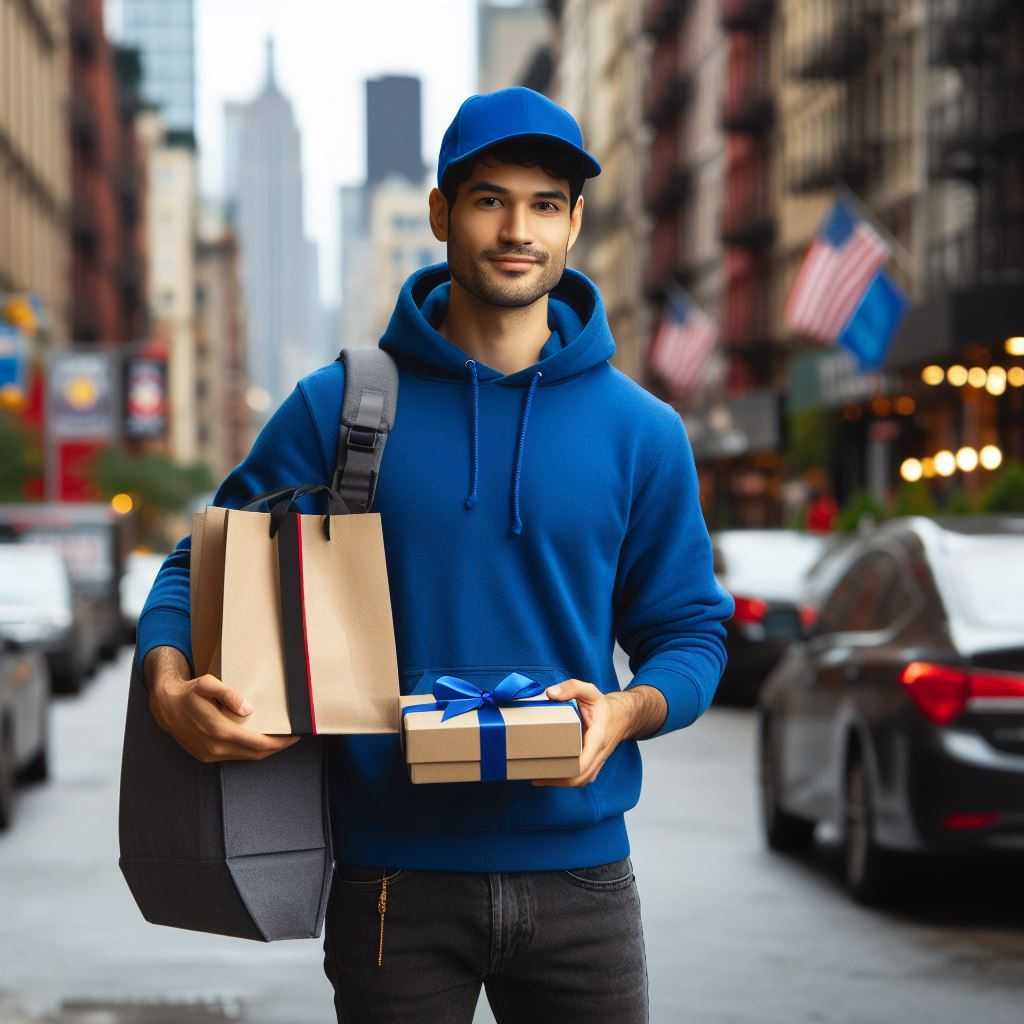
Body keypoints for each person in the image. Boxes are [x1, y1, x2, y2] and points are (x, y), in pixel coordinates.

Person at [139, 87, 733, 1024]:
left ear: (575, 223)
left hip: (582, 880)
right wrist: (170, 688)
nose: (518, 230)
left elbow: (691, 633)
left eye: (545, 204)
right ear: (441, 213)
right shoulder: (339, 408)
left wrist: (627, 711)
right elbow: (194, 567)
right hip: (392, 883)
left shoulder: (642, 432)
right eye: (491, 199)